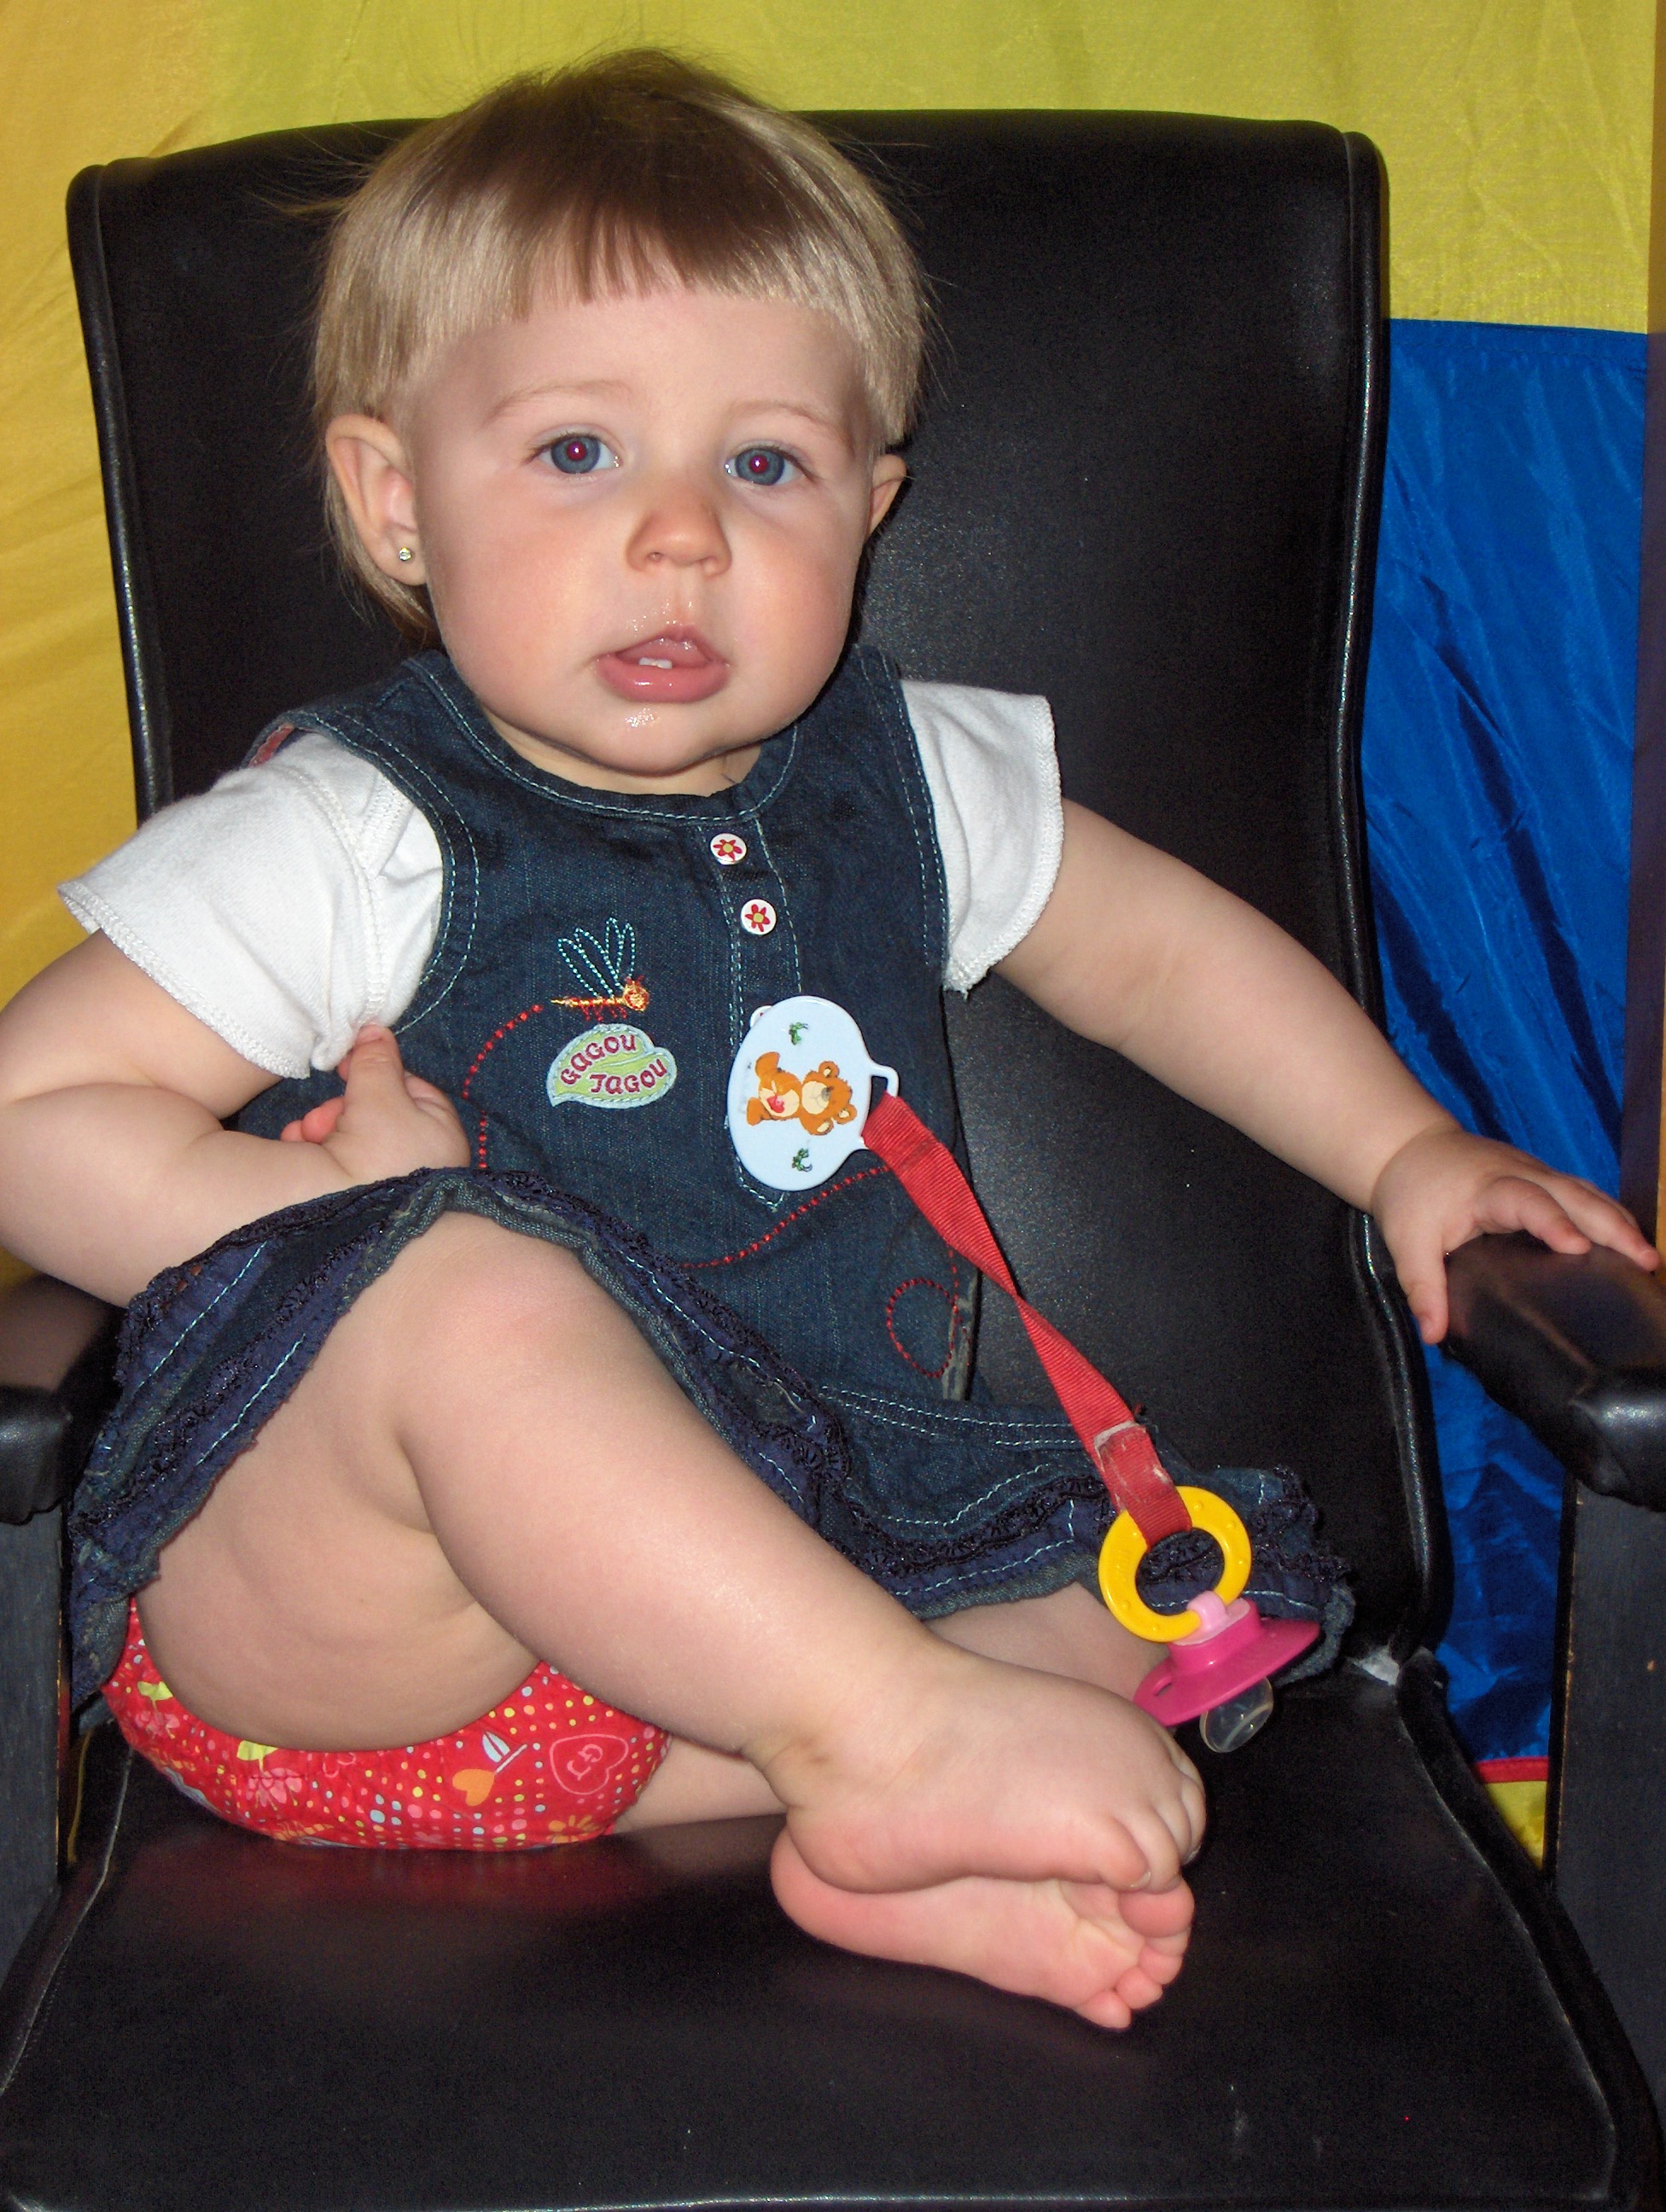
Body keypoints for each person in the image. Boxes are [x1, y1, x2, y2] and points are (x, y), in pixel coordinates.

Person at [0, 51, 1650, 2033]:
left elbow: (1156, 955)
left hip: (700, 1672)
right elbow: (30, 1113)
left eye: (765, 466)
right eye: (577, 452)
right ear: (395, 501)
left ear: (871, 511)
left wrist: (1402, 1150)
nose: (681, 536)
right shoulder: (349, 835)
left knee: (1152, 1617)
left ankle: (876, 1809)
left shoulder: (905, 775)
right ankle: (885, 1733)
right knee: (460, 1289)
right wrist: (311, 1230)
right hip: (380, 1639)